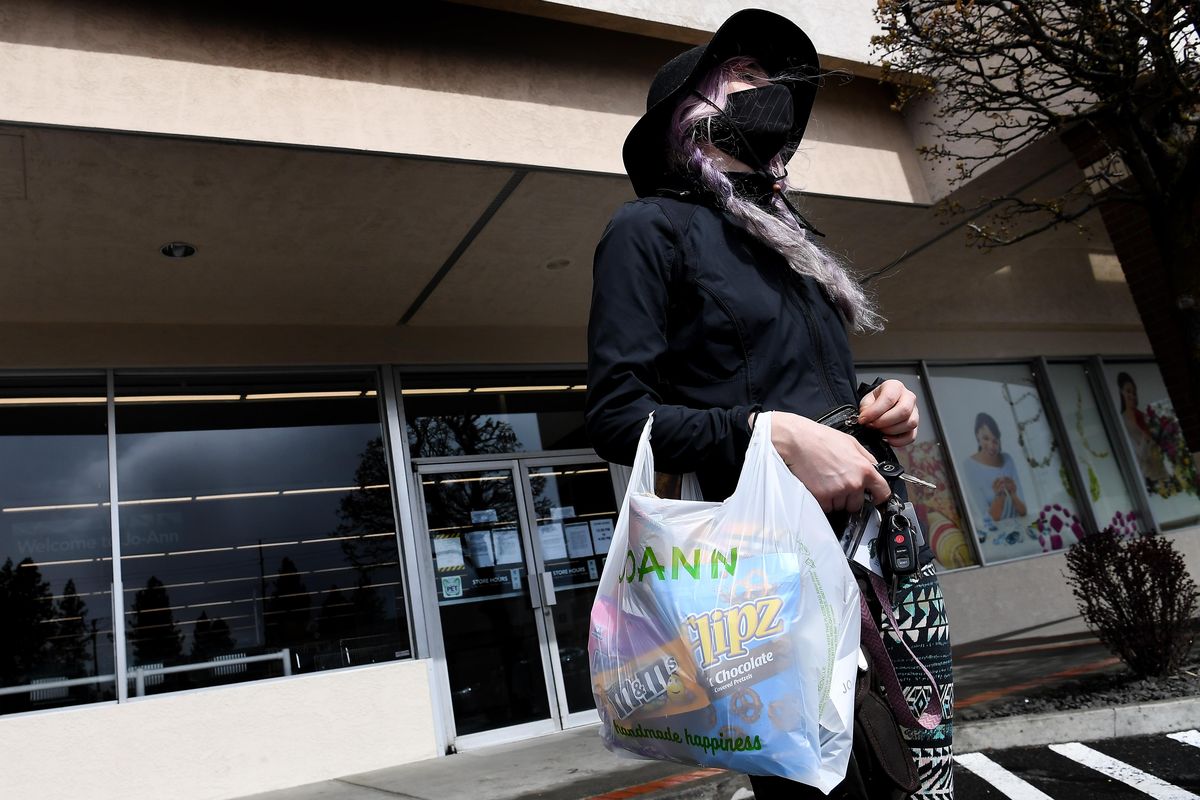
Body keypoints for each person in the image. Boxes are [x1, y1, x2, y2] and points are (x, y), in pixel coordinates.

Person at [585, 10, 953, 799]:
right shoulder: (649, 230)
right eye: (747, 80)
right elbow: (616, 416)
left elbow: (797, 388)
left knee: (908, 769)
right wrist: (771, 436)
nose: (772, 96)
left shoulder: (791, 244)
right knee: (825, 784)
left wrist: (875, 404)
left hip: (865, 555)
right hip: (768, 580)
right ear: (695, 113)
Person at [1117, 372, 1171, 488]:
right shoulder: (1123, 422)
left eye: (1133, 392)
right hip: (1150, 475)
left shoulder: (1144, 416)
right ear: (1121, 392)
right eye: (1128, 391)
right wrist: (1146, 440)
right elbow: (1135, 453)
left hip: (1162, 468)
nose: (1132, 396)